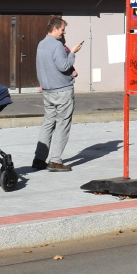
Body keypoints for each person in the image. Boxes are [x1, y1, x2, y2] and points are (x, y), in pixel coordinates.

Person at [33, 16, 82, 172]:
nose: (64, 32)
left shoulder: (41, 44)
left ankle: (39, 159)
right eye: (62, 29)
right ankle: (55, 161)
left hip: (48, 91)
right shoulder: (57, 46)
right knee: (62, 125)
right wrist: (73, 52)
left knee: (48, 123)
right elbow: (64, 65)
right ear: (54, 29)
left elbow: (41, 66)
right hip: (62, 91)